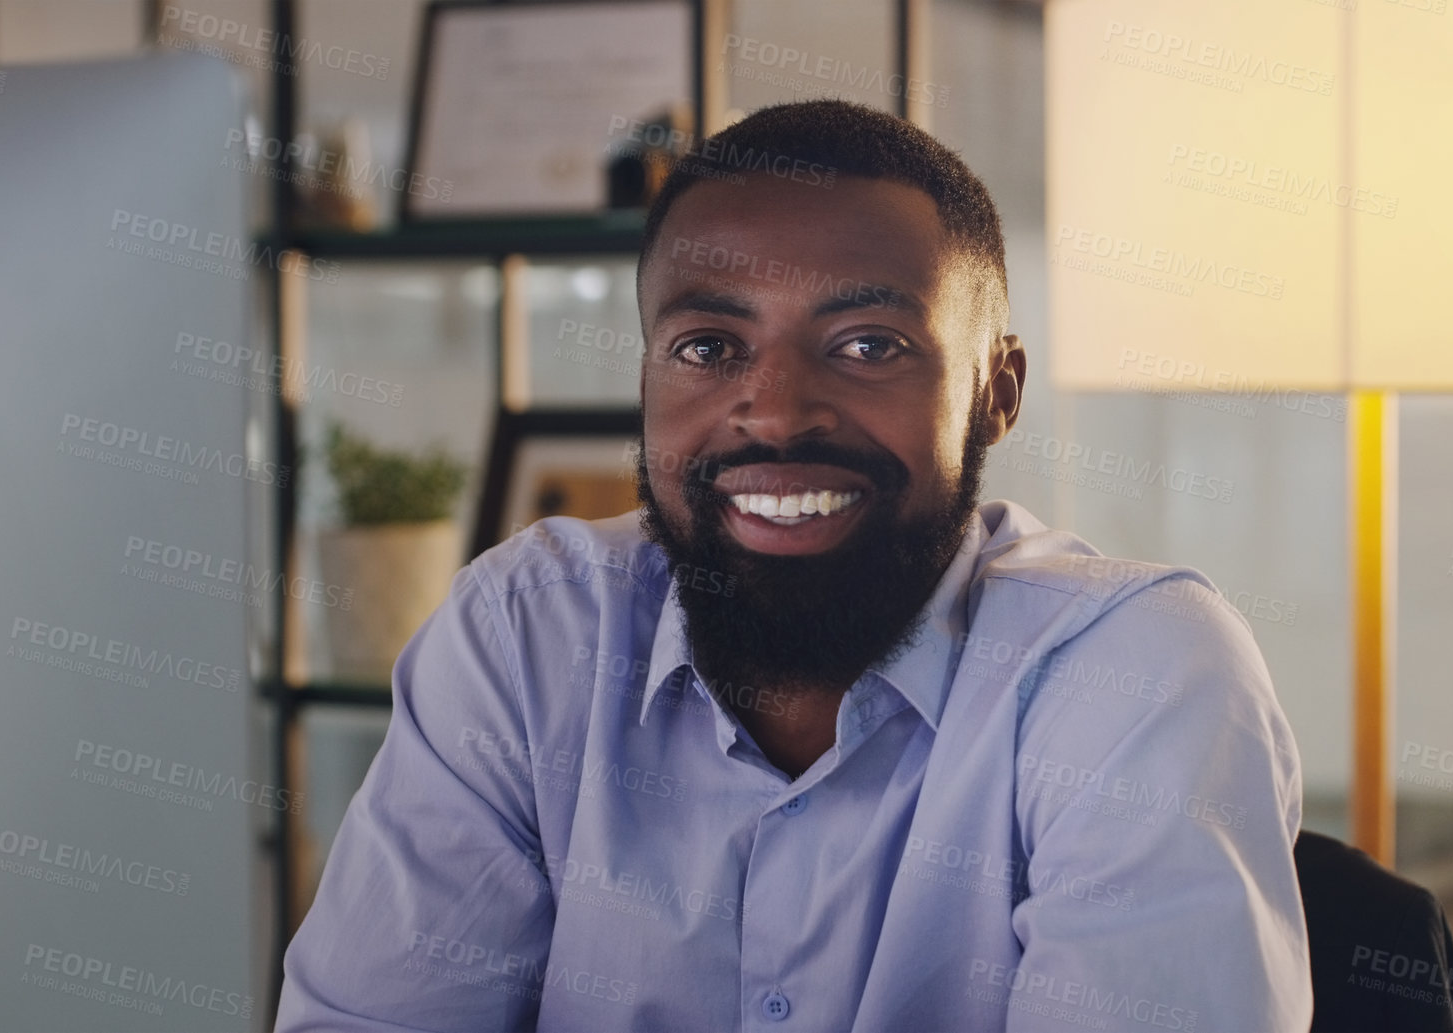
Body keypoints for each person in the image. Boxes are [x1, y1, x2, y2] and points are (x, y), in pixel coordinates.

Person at [276, 99, 1311, 1032]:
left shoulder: (1131, 672)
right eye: (707, 347)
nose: (774, 410)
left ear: (996, 389)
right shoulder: (528, 632)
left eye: (868, 346)